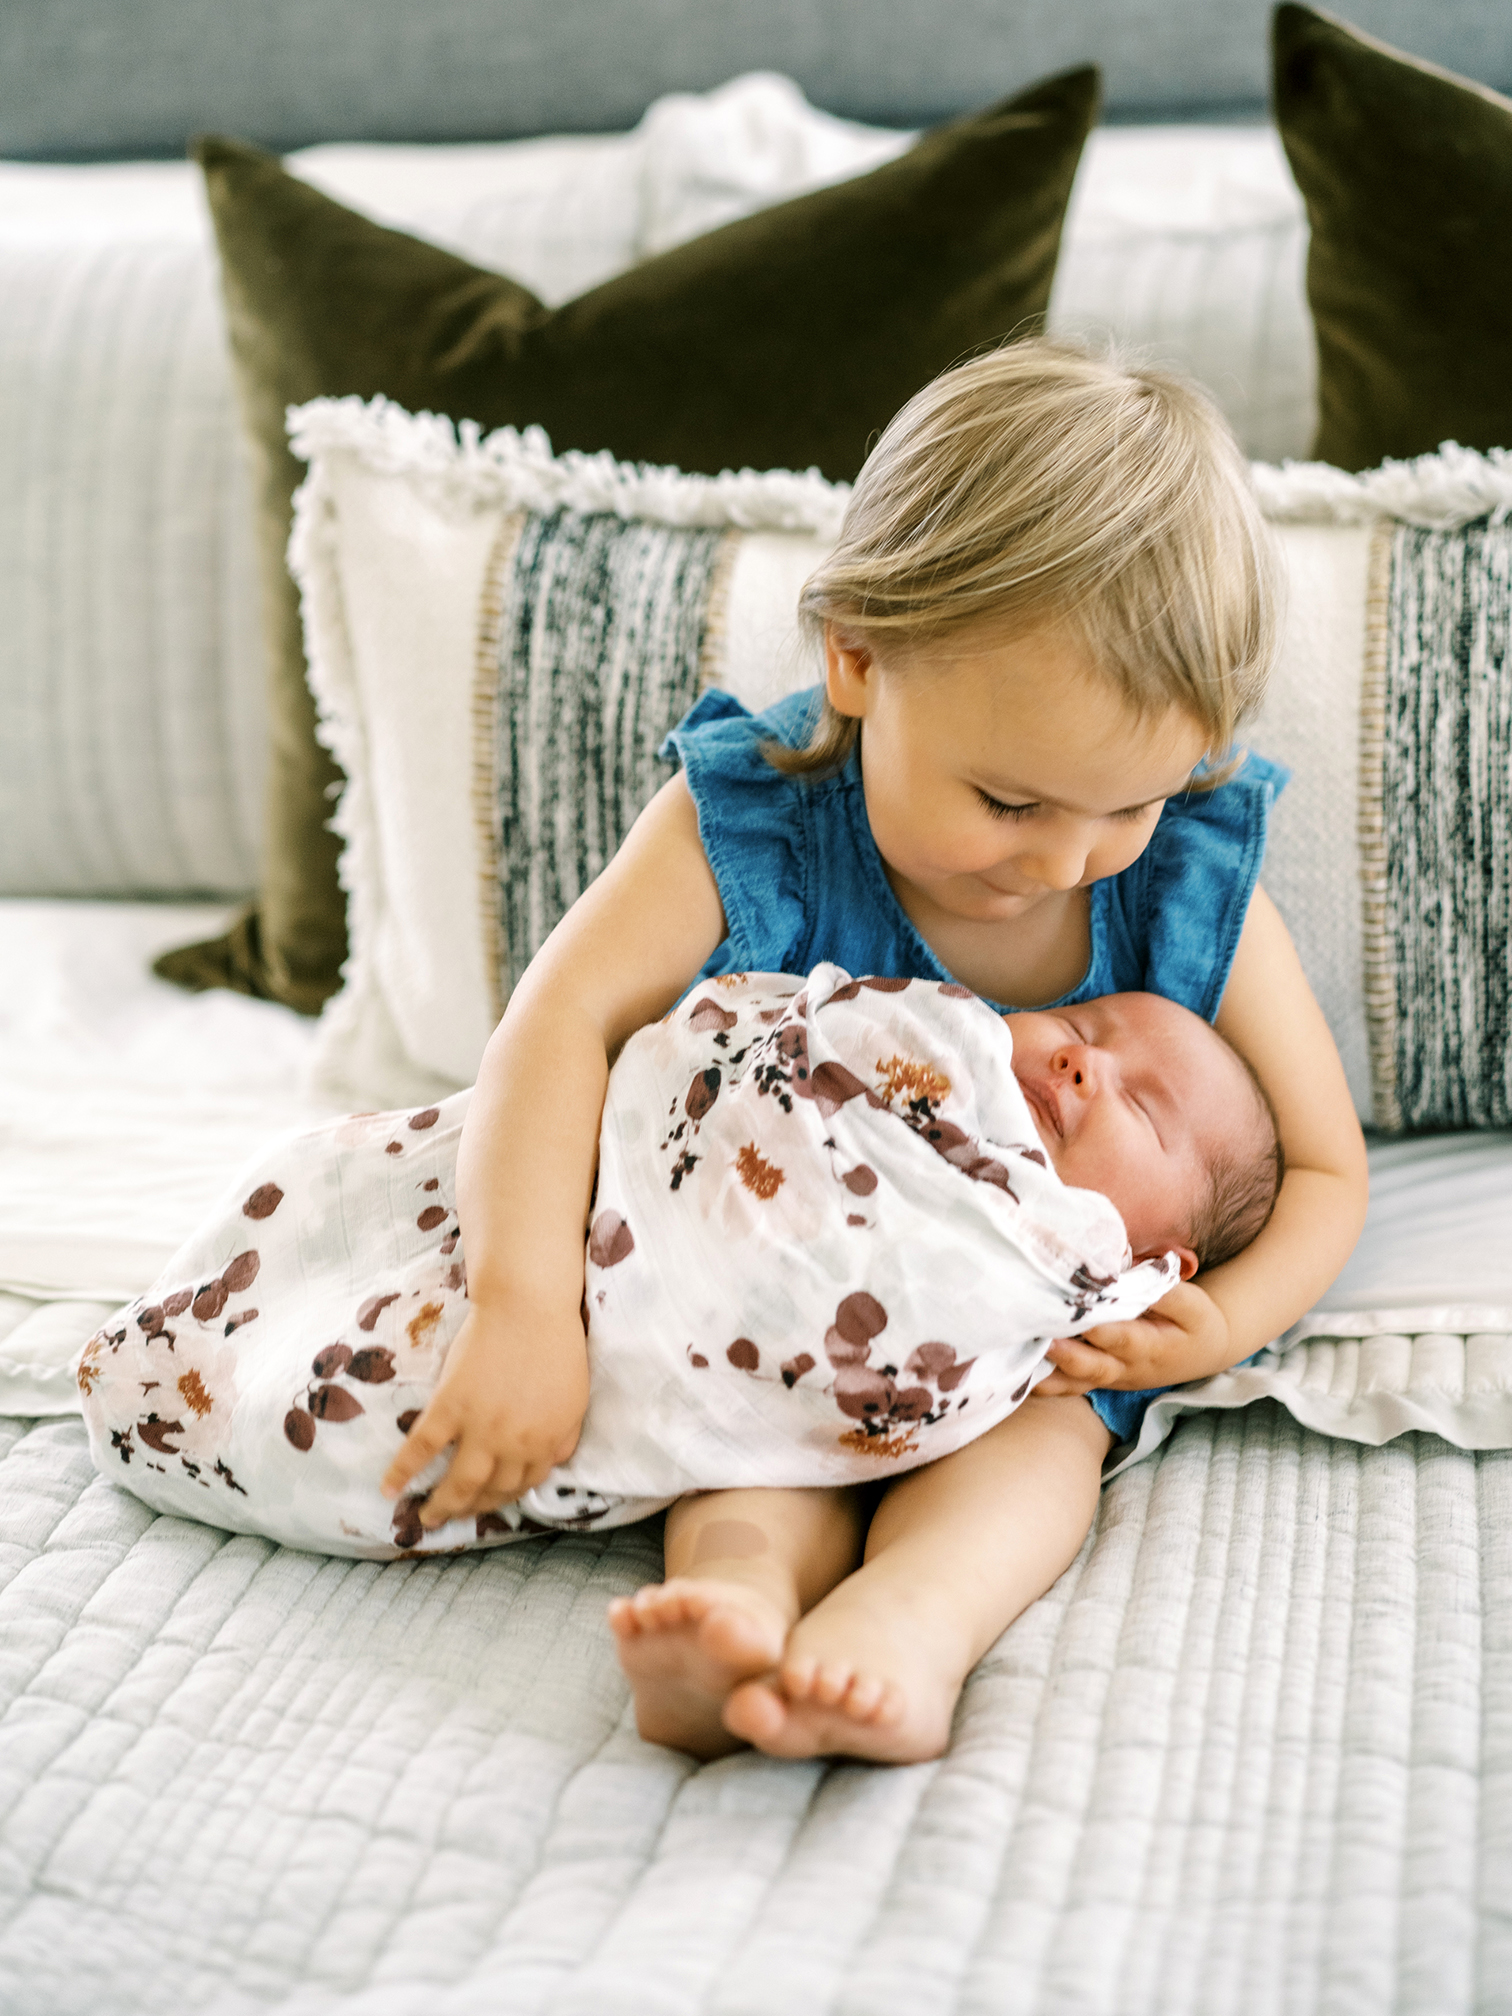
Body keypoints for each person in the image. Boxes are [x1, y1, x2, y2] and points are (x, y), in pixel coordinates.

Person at [380, 339, 1369, 1763]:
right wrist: (526, 1306)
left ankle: (907, 1631)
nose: (1066, 860)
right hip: (770, 1311)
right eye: (1011, 799)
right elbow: (558, 1027)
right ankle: (727, 1614)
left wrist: (1228, 1318)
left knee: (1037, 1457)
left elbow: (1328, 1167)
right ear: (857, 658)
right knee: (750, 1453)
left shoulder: (1183, 873)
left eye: (1127, 805)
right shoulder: (758, 822)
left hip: (1013, 1368)